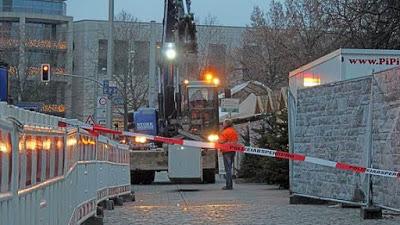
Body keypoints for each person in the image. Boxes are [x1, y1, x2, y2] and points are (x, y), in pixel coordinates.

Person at [218, 119, 239, 190]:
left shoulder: (224, 132)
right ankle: (230, 185)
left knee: (227, 169)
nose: (222, 124)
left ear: (226, 124)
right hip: (233, 151)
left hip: (226, 151)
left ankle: (228, 185)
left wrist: (217, 141)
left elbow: (221, 141)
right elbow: (236, 141)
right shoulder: (234, 131)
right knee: (230, 168)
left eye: (223, 123)